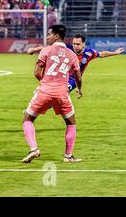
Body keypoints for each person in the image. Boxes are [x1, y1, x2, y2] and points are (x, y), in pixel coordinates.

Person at [22, 25, 82, 164]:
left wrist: (45, 83)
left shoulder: (46, 50)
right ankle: (68, 156)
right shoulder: (72, 54)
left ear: (56, 36)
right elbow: (78, 77)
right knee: (70, 122)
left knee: (27, 119)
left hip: (45, 91)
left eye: (49, 34)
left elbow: (37, 72)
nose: (48, 37)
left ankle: (34, 149)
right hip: (62, 93)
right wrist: (79, 89)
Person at [28, 34, 124, 93]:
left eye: (78, 44)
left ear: (83, 44)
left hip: (73, 80)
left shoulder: (89, 53)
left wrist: (115, 53)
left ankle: (37, 109)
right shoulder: (67, 48)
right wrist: (34, 49)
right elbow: (50, 48)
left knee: (60, 93)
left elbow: (102, 54)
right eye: (74, 44)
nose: (75, 46)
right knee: (46, 92)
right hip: (61, 76)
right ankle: (36, 106)